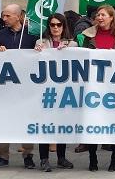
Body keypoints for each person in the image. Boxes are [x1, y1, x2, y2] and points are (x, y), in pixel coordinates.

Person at [79, 5, 115, 172]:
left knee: (114, 123)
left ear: (112, 17)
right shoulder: (87, 36)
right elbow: (78, 53)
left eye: (103, 15)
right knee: (92, 122)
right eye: (98, 15)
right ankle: (93, 158)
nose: (100, 17)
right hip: (93, 87)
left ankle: (114, 159)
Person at [0, 4, 38, 170]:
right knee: (3, 119)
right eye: (4, 15)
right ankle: (2, 155)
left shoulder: (32, 34)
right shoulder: (1, 34)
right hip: (7, 85)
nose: (5, 19)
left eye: (8, 16)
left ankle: (28, 155)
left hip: (27, 86)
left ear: (18, 16)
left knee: (28, 120)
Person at [32, 13, 76, 172]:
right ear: (48, 26)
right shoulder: (41, 42)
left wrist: (68, 52)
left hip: (64, 92)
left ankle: (61, 157)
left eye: (59, 25)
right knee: (45, 125)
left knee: (61, 125)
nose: (55, 27)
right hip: (45, 91)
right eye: (52, 25)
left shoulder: (72, 44)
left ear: (64, 26)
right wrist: (37, 52)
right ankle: (44, 159)